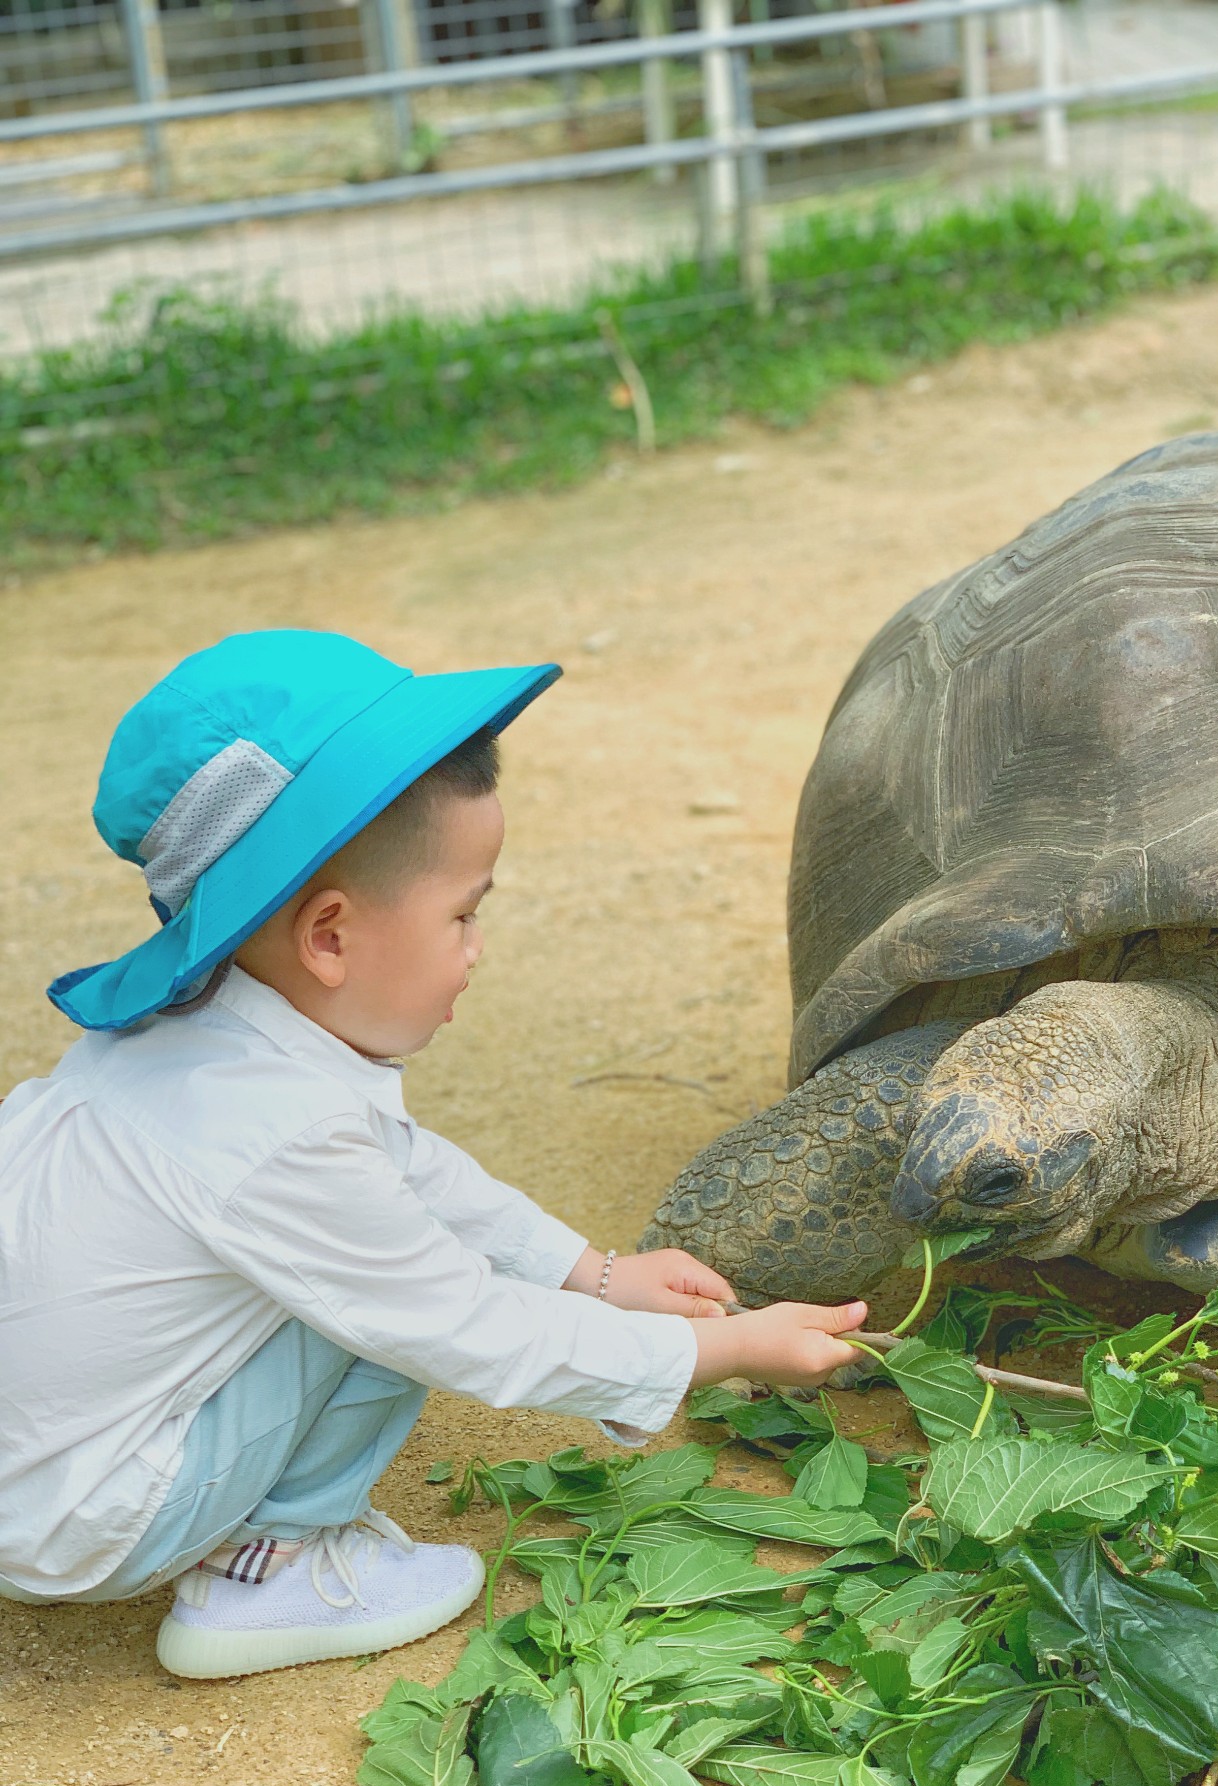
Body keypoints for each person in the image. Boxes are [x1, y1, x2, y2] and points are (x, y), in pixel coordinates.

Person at [0, 630, 866, 1679]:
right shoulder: (282, 1135)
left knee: (377, 1248)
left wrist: (598, 1276)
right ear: (329, 937)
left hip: (34, 1453)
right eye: (463, 912)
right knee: (376, 1314)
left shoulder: (204, 1046)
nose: (476, 946)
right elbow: (467, 1325)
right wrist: (722, 1351)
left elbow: (408, 1169)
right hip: (80, 1515)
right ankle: (266, 1571)